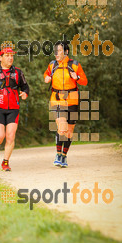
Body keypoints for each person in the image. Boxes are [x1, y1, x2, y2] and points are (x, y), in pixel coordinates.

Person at [0, 45, 29, 171]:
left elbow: (25, 86)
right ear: (0, 57)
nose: (10, 58)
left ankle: (6, 162)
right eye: (7, 55)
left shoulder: (18, 72)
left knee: (11, 136)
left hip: (13, 108)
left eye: (12, 55)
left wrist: (25, 93)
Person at [44, 40, 88, 168]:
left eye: (59, 51)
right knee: (61, 126)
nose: (56, 53)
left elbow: (84, 81)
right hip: (57, 99)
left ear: (66, 52)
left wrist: (77, 78)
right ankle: (58, 154)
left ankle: (64, 155)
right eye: (55, 51)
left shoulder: (75, 65)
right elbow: (46, 74)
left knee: (69, 131)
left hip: (72, 99)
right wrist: (46, 78)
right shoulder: (52, 65)